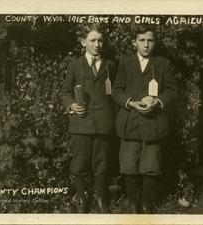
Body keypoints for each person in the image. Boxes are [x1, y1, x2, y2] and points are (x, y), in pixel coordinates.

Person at [112, 24, 177, 214]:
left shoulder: (163, 64)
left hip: (153, 123)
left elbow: (172, 91)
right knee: (129, 165)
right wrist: (130, 102)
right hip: (130, 122)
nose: (146, 45)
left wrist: (155, 100)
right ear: (134, 43)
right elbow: (116, 91)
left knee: (151, 166)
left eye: (150, 40)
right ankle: (133, 204)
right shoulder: (125, 63)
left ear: (155, 43)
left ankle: (146, 204)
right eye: (142, 40)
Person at [61, 23, 116, 214]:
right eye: (92, 40)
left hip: (103, 122)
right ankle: (82, 199)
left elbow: (115, 93)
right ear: (83, 42)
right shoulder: (75, 65)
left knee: (101, 163)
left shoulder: (110, 65)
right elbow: (65, 92)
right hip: (81, 122)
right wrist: (72, 105)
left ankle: (101, 199)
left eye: (100, 40)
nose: (97, 44)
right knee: (79, 162)